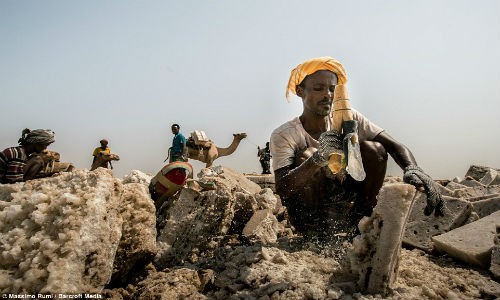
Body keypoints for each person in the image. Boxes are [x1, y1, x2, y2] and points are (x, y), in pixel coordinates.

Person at [270, 56, 443, 233]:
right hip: (309, 216)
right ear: (300, 91)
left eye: (332, 89)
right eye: (318, 88)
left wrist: (412, 169)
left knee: (374, 149)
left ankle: (359, 221)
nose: (327, 95)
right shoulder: (285, 134)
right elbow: (283, 187)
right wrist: (317, 159)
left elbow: (393, 146)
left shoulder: (348, 117)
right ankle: (316, 234)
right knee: (307, 155)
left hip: (345, 205)